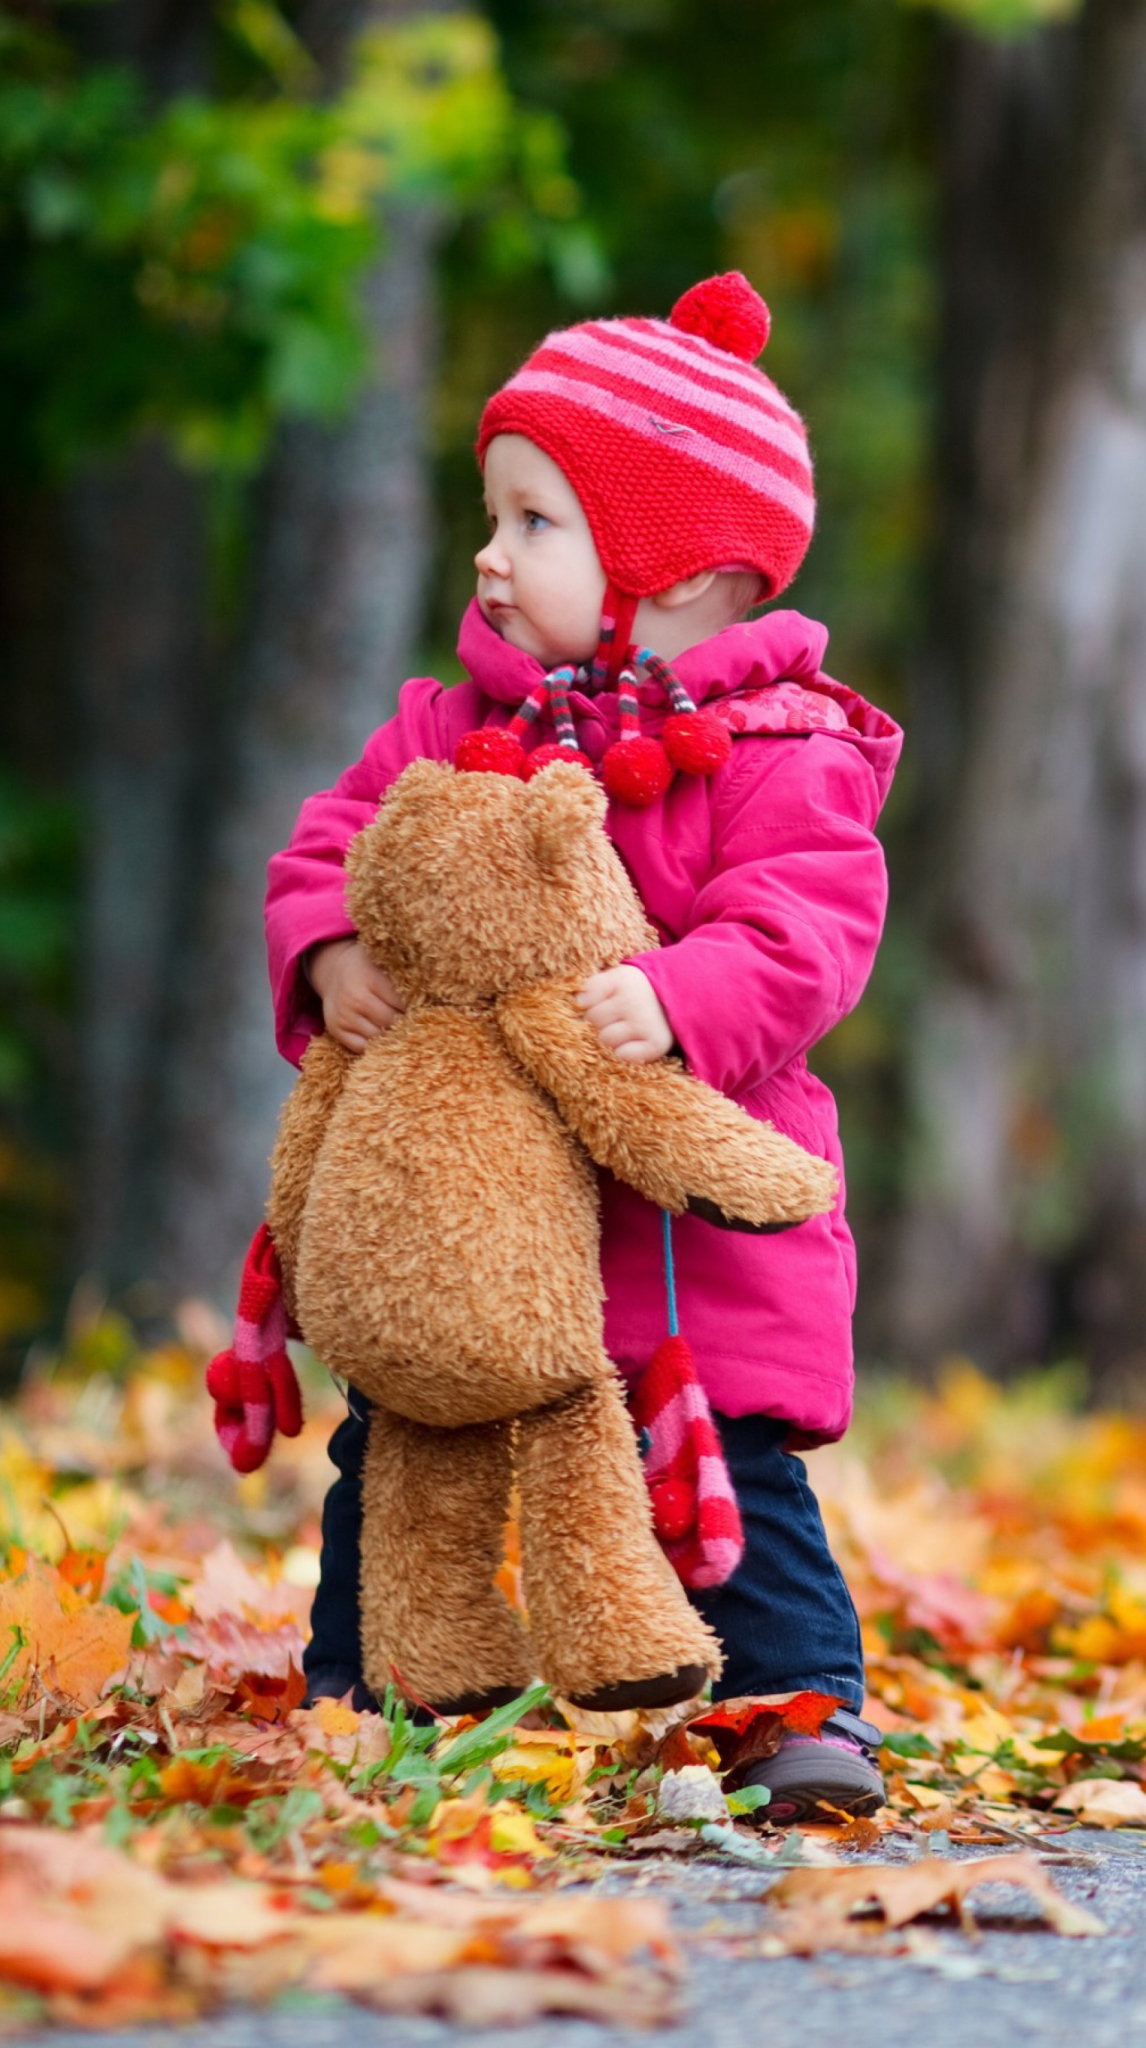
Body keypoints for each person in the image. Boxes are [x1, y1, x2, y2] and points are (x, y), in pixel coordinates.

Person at [264, 272, 901, 1823]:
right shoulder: (446, 730)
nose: (490, 555)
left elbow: (811, 925)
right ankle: (371, 1689)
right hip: (476, 1219)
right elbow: (327, 848)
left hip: (689, 1234)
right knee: (397, 1444)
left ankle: (792, 1710)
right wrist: (332, 949)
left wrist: (686, 1002)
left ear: (683, 571)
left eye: (538, 523)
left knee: (726, 1478)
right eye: (494, 514)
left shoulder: (778, 751)